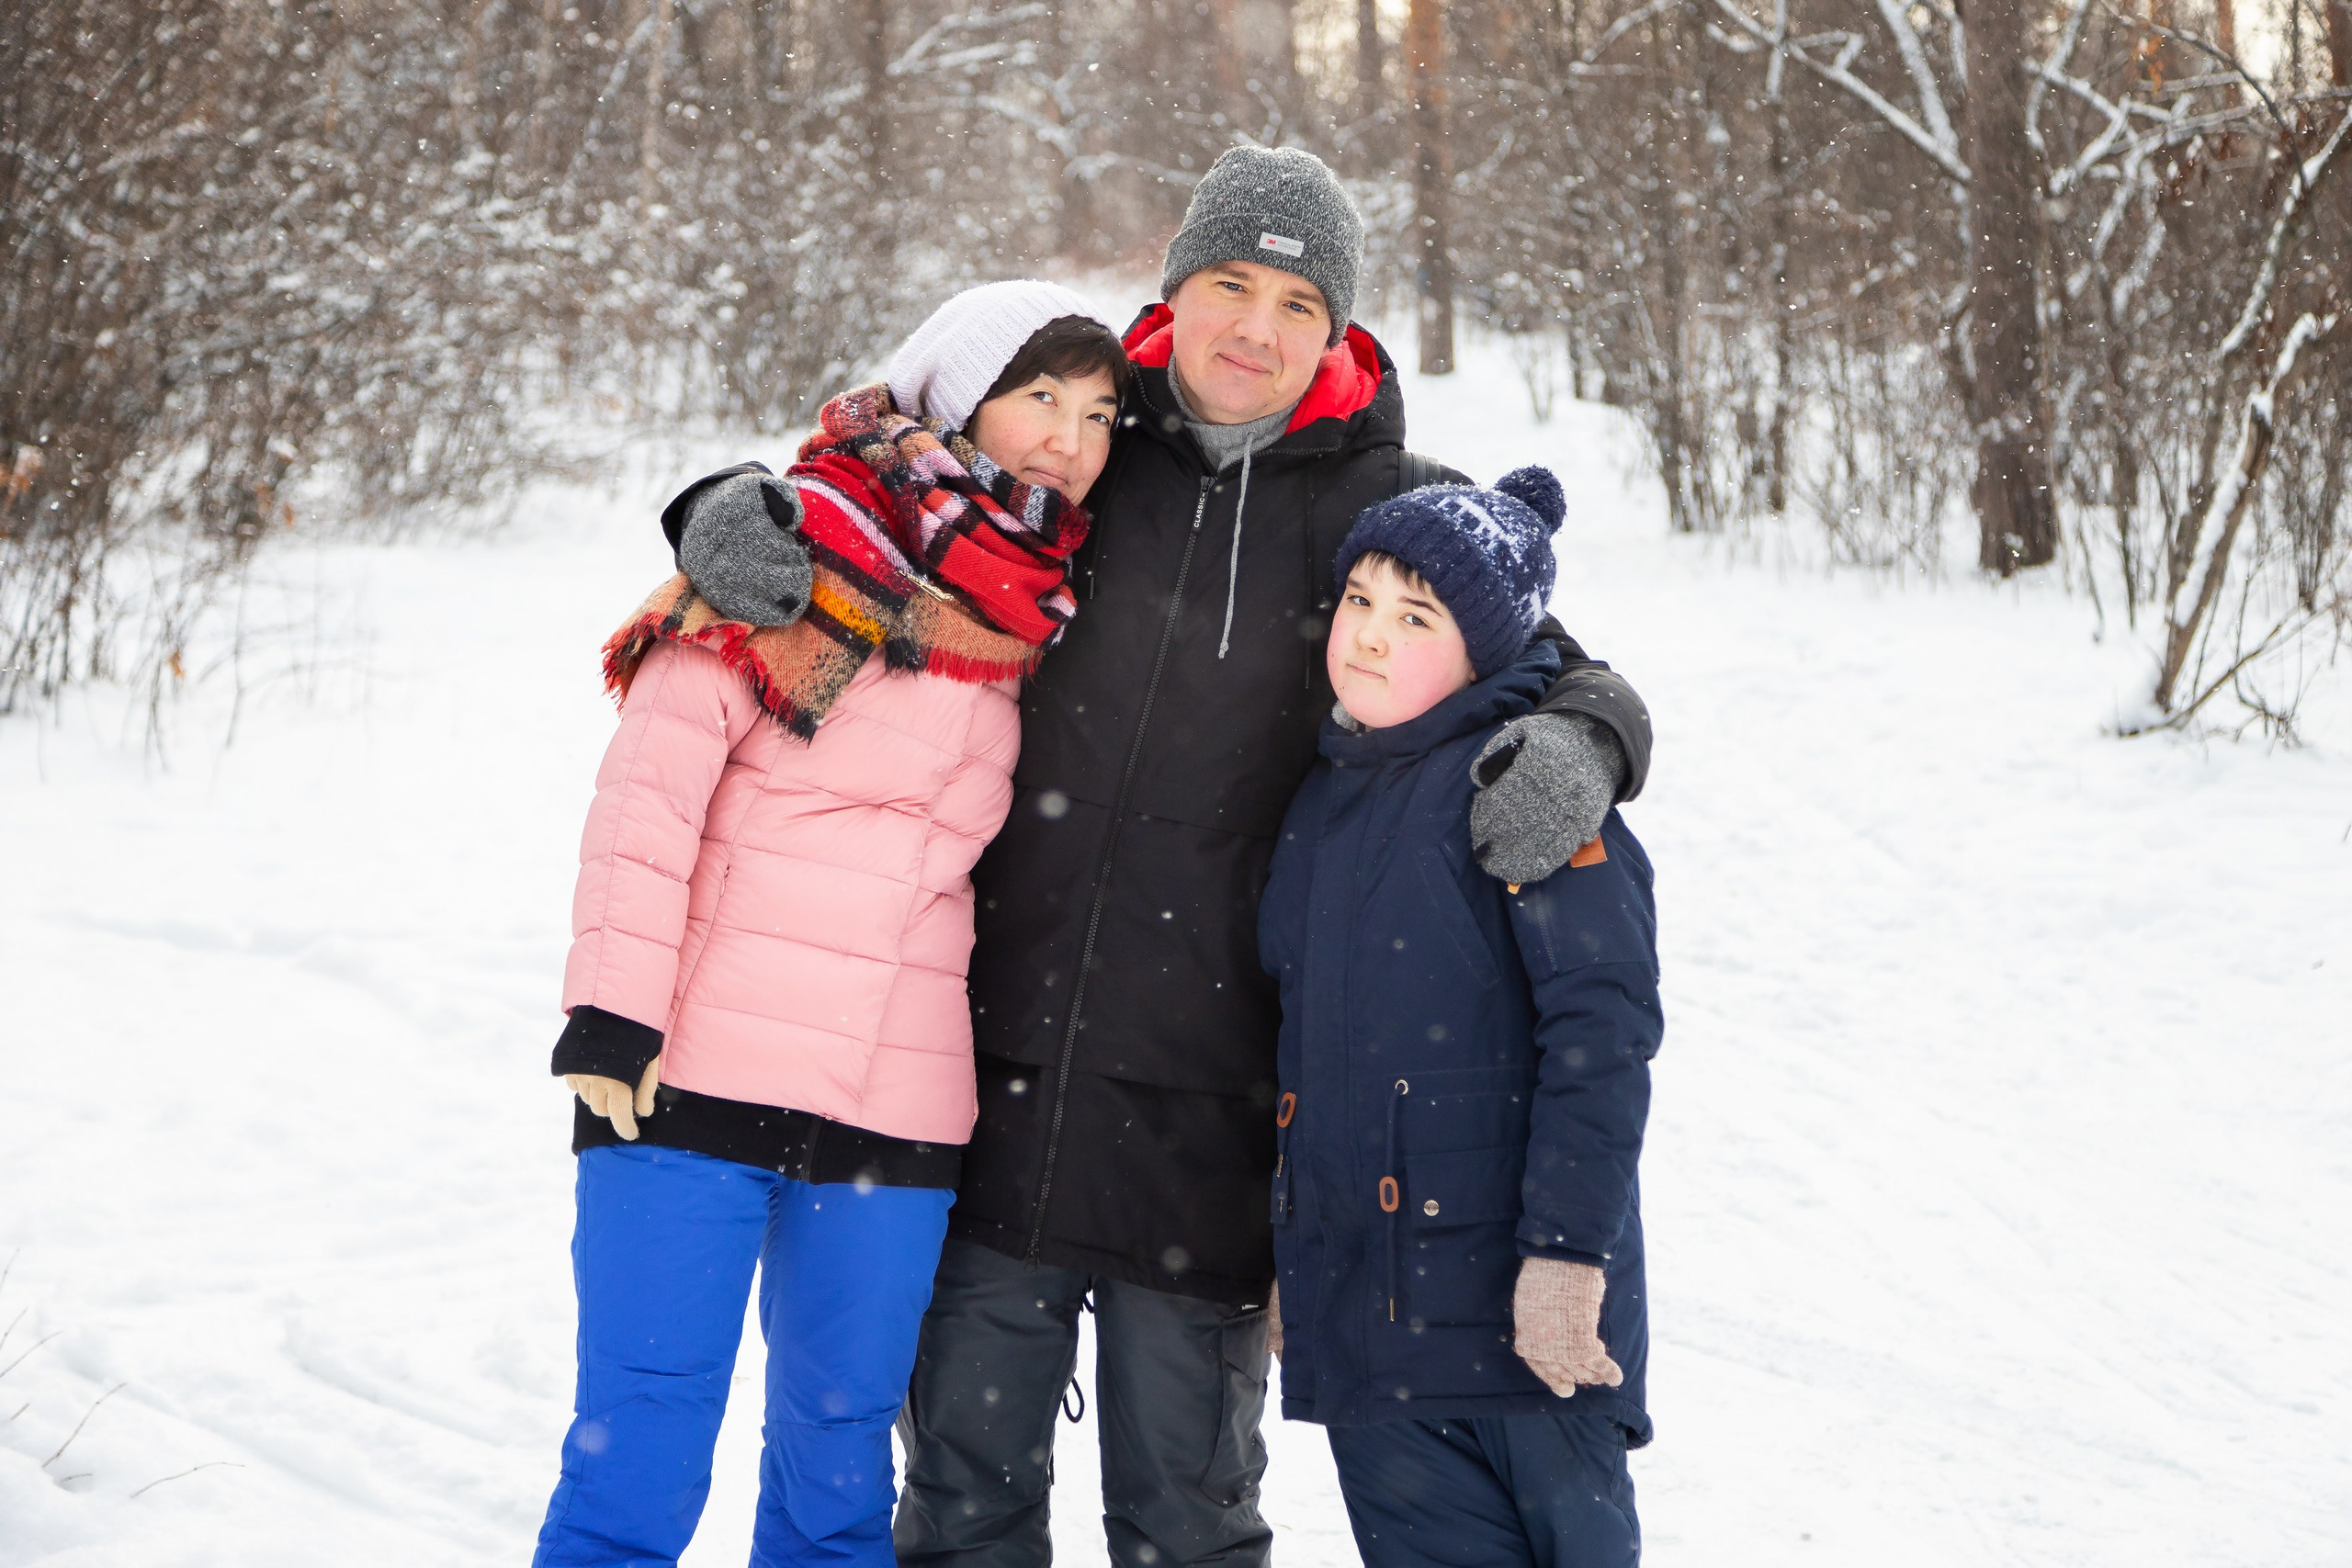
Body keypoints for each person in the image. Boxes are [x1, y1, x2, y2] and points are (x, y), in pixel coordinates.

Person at [666, 146, 1654, 1568]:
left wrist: (1592, 736)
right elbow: (876, 463)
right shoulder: (1078, 449)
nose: (1256, 327)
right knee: (960, 1501)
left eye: (1299, 302)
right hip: (985, 1081)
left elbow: (1547, 661)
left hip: (1208, 1120)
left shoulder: (1380, 506)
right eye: (1229, 285)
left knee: (1188, 1522)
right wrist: (728, 504)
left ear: (1340, 331)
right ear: (1175, 289)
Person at [534, 281, 1129, 1568]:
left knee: (839, 1472)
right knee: (634, 1458)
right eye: (1039, 396)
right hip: (686, 1076)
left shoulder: (1056, 604)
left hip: (894, 1108)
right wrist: (612, 1009)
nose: (1068, 439)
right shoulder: (792, 546)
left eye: (1096, 413)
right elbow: (655, 782)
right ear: (957, 393)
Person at [1257, 467, 1660, 1568]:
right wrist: (1298, 1253)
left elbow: (1602, 1032)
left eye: (1416, 616)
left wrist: (1570, 1256)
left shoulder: (1531, 783)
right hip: (1370, 1337)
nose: (1371, 638)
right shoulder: (1314, 803)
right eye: (1359, 603)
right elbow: (1298, 1052)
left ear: (1482, 650)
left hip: (1524, 1332)